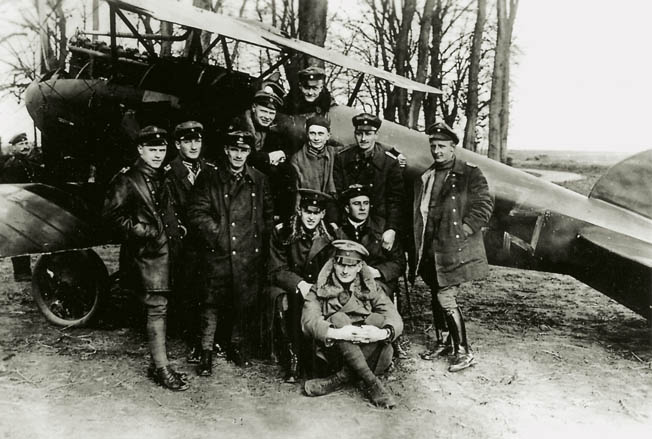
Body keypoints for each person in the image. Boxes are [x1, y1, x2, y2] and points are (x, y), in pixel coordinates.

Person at [102, 125, 189, 391]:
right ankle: (161, 368)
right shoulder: (127, 179)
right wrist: (143, 230)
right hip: (147, 256)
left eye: (162, 149)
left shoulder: (163, 175)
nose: (158, 154)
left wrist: (177, 227)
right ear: (140, 149)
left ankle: (158, 363)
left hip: (168, 253)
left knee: (163, 306)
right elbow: (110, 217)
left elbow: (168, 209)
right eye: (152, 149)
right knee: (157, 308)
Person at [187, 130, 274, 376]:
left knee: (242, 301)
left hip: (248, 252)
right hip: (218, 251)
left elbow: (267, 215)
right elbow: (196, 212)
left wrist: (259, 242)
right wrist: (219, 235)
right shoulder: (210, 177)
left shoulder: (259, 179)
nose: (238, 155)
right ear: (226, 150)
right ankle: (205, 351)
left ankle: (235, 345)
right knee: (211, 302)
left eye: (243, 150)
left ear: (249, 152)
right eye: (234, 149)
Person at [412, 121, 493, 372]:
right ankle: (444, 341)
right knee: (436, 291)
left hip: (454, 247)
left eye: (442, 146)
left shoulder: (469, 173)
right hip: (432, 247)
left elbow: (483, 206)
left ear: (453, 147)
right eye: (433, 146)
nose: (437, 151)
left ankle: (463, 351)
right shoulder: (428, 175)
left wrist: (464, 230)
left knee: (445, 296)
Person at [301, 240, 404, 409]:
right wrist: (339, 333)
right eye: (341, 264)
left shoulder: (372, 289)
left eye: (351, 265)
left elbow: (394, 317)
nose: (345, 270)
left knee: (378, 320)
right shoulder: (319, 289)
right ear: (334, 264)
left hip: (371, 355)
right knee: (338, 319)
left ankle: (339, 379)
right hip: (335, 355)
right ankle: (372, 383)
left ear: (359, 267)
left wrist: (381, 334)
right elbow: (308, 321)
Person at [267, 188, 338, 382]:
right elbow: (276, 269)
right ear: (300, 210)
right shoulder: (284, 232)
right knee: (293, 303)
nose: (311, 217)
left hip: (319, 288)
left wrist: (316, 288)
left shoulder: (331, 235)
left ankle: (318, 357)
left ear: (322, 214)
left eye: (316, 213)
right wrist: (299, 284)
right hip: (292, 287)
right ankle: (294, 358)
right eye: (308, 211)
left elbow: (334, 267)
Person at [162, 120, 213, 363]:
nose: (193, 146)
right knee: (188, 291)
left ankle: (209, 339)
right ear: (177, 144)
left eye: (197, 140)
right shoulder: (170, 174)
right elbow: (169, 212)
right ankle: (194, 340)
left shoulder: (209, 169)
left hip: (208, 240)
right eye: (187, 141)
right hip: (185, 245)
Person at [333, 113, 405, 253]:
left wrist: (391, 229)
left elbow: (396, 200)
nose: (364, 138)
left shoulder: (389, 162)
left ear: (376, 135)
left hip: (379, 227)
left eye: (368, 133)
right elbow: (337, 194)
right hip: (349, 226)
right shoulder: (343, 158)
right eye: (359, 133)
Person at [230, 90, 296, 222]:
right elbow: (238, 155)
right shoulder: (238, 125)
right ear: (254, 108)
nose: (267, 116)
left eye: (271, 113)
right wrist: (267, 158)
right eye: (263, 111)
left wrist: (282, 154)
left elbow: (289, 147)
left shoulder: (275, 130)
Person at [0, 132, 43, 282]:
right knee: (18, 239)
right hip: (16, 207)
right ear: (14, 148)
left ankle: (25, 271)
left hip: (26, 206)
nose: (25, 147)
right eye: (21, 144)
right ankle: (21, 272)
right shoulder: (12, 165)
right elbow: (11, 189)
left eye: (26, 143)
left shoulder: (27, 163)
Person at [289, 115, 338, 219]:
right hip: (308, 210)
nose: (316, 138)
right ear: (307, 134)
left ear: (328, 136)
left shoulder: (334, 153)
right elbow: (297, 191)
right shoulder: (297, 159)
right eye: (312, 133)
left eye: (321, 134)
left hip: (329, 209)